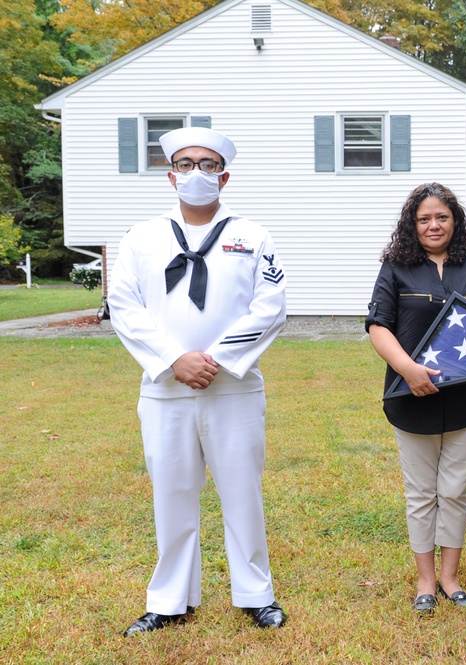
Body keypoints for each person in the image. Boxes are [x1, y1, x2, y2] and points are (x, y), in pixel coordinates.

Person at [108, 127, 288, 635]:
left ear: (224, 176)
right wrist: (173, 358)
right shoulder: (141, 237)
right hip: (165, 388)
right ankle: (168, 601)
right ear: (170, 176)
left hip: (233, 386)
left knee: (241, 493)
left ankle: (256, 593)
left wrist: (214, 359)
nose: (196, 173)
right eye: (185, 164)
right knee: (172, 493)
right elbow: (123, 306)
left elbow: (270, 308)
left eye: (207, 165)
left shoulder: (252, 235)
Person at [366, 182, 466, 614]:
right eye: (424, 218)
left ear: (456, 220)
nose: (434, 225)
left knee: (455, 489)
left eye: (442, 217)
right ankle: (425, 581)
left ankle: (450, 577)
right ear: (412, 224)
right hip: (410, 396)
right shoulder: (395, 267)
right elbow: (378, 325)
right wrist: (408, 370)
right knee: (420, 494)